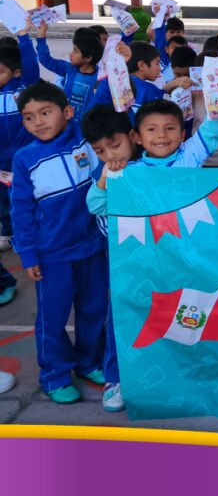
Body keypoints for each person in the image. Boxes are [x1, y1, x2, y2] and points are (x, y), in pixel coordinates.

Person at [11, 81, 106, 404]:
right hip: (52, 255)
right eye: (29, 117)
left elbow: (105, 107)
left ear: (67, 112)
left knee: (94, 309)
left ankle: (90, 362)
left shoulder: (85, 138)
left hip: (94, 246)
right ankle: (55, 374)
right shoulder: (25, 158)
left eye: (45, 112)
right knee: (53, 318)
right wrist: (28, 254)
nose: (38, 122)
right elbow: (21, 210)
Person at [81, 105, 139, 413]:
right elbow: (96, 207)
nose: (109, 155)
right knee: (119, 318)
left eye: (114, 145)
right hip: (121, 263)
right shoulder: (102, 174)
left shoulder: (149, 167)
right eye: (100, 151)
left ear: (133, 137)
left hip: (158, 260)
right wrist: (105, 178)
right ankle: (114, 379)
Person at [0, 25, 40, 257]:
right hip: (1, 158)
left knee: (25, 196)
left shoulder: (25, 89)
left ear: (16, 72)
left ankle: (29, 234)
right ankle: (8, 232)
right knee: (3, 198)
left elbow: (31, 65)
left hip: (24, 157)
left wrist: (24, 37)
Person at [35, 24, 102, 112]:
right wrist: (41, 36)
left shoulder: (100, 78)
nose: (70, 54)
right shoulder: (69, 69)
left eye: (75, 51)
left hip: (87, 120)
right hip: (66, 118)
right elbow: (46, 60)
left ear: (88, 58)